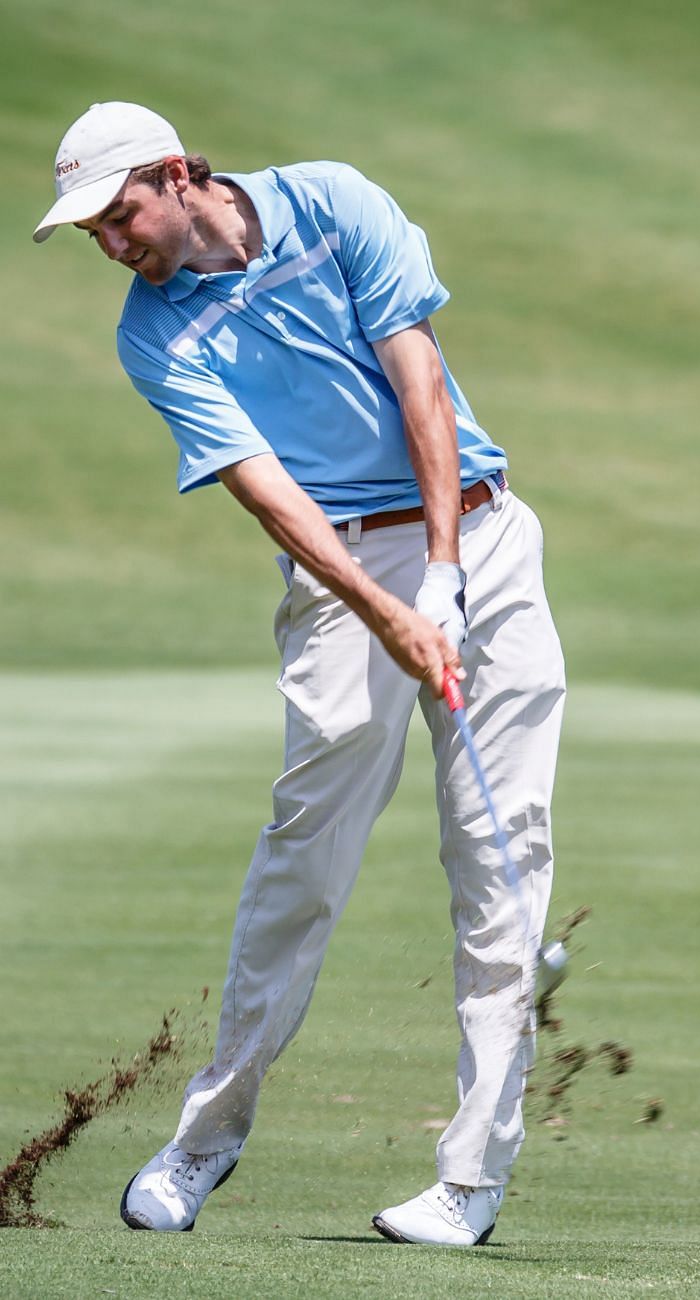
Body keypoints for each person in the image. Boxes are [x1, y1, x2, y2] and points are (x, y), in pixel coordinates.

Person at [34, 102, 567, 1246]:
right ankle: (203, 1143)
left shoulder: (334, 201)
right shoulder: (151, 335)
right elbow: (268, 489)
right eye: (91, 231)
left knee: (501, 857)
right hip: (339, 576)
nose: (110, 243)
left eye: (118, 215)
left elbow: (418, 378)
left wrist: (441, 573)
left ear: (176, 176)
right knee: (302, 864)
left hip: (478, 534)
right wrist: (385, 606)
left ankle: (470, 1180)